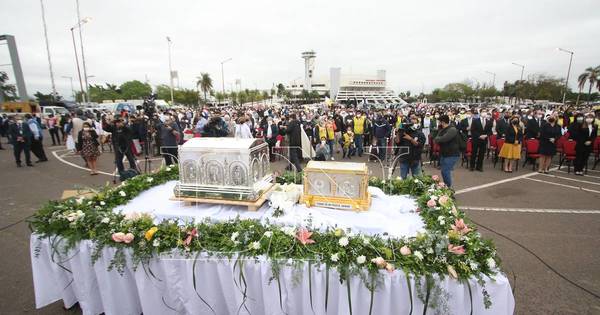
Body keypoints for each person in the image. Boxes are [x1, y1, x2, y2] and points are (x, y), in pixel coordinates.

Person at [434, 115, 460, 188]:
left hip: (451, 154)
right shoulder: (443, 129)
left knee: (446, 171)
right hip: (444, 153)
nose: (438, 123)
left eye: (439, 122)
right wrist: (438, 138)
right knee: (444, 171)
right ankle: (447, 187)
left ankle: (449, 188)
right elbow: (436, 139)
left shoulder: (452, 129)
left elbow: (443, 139)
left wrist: (438, 139)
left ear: (442, 122)